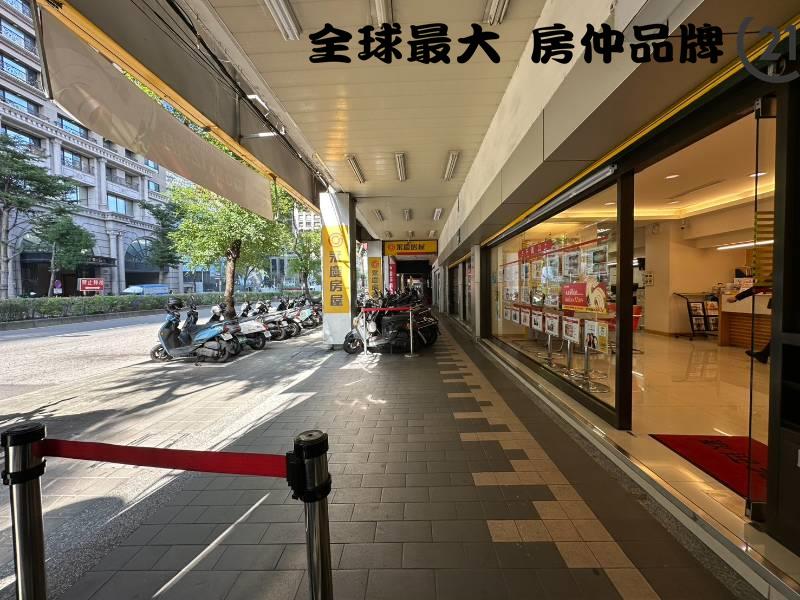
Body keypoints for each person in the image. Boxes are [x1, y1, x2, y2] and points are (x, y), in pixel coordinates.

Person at [727, 284, 772, 363]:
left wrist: (737, 297)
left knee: (779, 333)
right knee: (779, 333)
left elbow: (761, 286)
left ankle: (764, 354)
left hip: (782, 304)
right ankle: (764, 354)